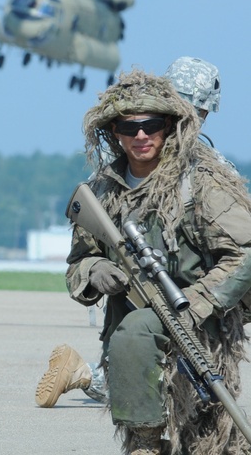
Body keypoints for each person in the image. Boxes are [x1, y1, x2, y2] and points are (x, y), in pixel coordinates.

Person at [63, 68, 251, 455]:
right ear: (113, 132)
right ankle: (145, 444)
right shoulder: (101, 191)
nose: (141, 136)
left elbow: (245, 252)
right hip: (133, 316)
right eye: (129, 128)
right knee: (134, 334)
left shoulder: (199, 183)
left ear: (169, 127)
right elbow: (79, 262)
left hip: (202, 319)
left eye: (152, 125)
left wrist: (196, 303)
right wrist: (97, 271)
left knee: (207, 436)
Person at [35, 56, 226, 410]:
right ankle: (86, 374)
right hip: (139, 311)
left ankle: (84, 372)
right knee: (146, 388)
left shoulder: (210, 173)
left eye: (198, 113)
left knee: (197, 394)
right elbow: (81, 257)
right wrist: (95, 270)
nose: (192, 123)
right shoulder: (113, 180)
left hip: (196, 309)